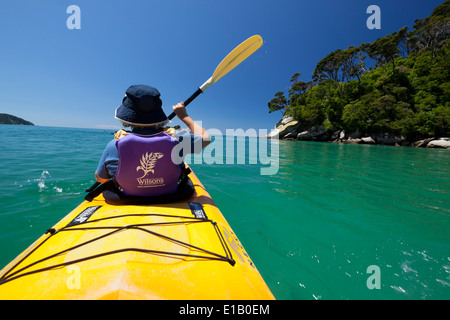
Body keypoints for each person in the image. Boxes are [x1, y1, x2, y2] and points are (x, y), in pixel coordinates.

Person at [95, 84, 210, 197]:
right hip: (173, 194)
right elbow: (206, 138)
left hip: (126, 196)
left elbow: (101, 179)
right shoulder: (177, 139)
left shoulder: (114, 145)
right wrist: (184, 116)